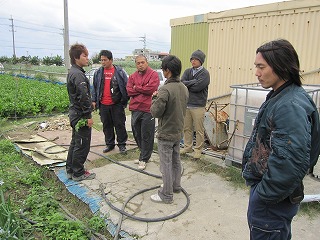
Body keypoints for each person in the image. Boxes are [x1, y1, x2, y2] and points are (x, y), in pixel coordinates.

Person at [242, 39, 320, 239]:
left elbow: (291, 161)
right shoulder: (282, 96)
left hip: (272, 203)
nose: (257, 73)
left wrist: (263, 196)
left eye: (261, 67)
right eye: (256, 67)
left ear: (281, 66)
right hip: (273, 198)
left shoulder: (289, 105)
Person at [150, 55, 189, 203]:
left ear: (167, 71)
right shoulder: (184, 88)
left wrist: (154, 98)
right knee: (175, 160)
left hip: (166, 132)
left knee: (165, 163)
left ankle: (166, 194)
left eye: (163, 69)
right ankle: (175, 186)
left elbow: (155, 112)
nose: (163, 71)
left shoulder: (165, 89)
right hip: (178, 131)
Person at [66, 43, 96, 181]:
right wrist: (88, 116)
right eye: (84, 55)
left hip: (74, 113)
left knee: (75, 142)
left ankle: (70, 169)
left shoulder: (73, 71)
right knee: (82, 144)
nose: (87, 58)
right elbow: (83, 98)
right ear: (76, 57)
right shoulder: (78, 75)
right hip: (80, 115)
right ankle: (78, 172)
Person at [92, 50, 129, 154]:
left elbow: (126, 86)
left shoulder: (120, 72)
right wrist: (94, 100)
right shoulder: (98, 73)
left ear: (111, 60)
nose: (103, 62)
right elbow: (94, 88)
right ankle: (110, 144)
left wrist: (124, 100)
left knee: (120, 125)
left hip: (116, 104)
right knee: (106, 125)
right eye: (101, 60)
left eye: (105, 60)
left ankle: (122, 145)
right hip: (103, 104)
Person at [126, 55, 160, 170]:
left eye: (142, 62)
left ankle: (144, 158)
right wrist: (141, 88)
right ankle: (143, 155)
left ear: (147, 62)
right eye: (138, 63)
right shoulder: (132, 76)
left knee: (147, 134)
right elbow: (129, 91)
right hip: (135, 108)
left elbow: (151, 89)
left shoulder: (153, 74)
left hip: (147, 109)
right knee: (136, 132)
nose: (140, 65)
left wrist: (137, 88)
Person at [181, 49, 210, 160]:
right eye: (192, 59)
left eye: (196, 59)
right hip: (187, 104)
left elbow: (198, 87)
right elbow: (182, 83)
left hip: (198, 105)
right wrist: (193, 82)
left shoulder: (205, 73)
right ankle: (187, 147)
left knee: (199, 129)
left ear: (201, 61)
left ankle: (198, 149)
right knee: (187, 128)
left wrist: (189, 84)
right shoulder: (188, 71)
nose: (193, 61)